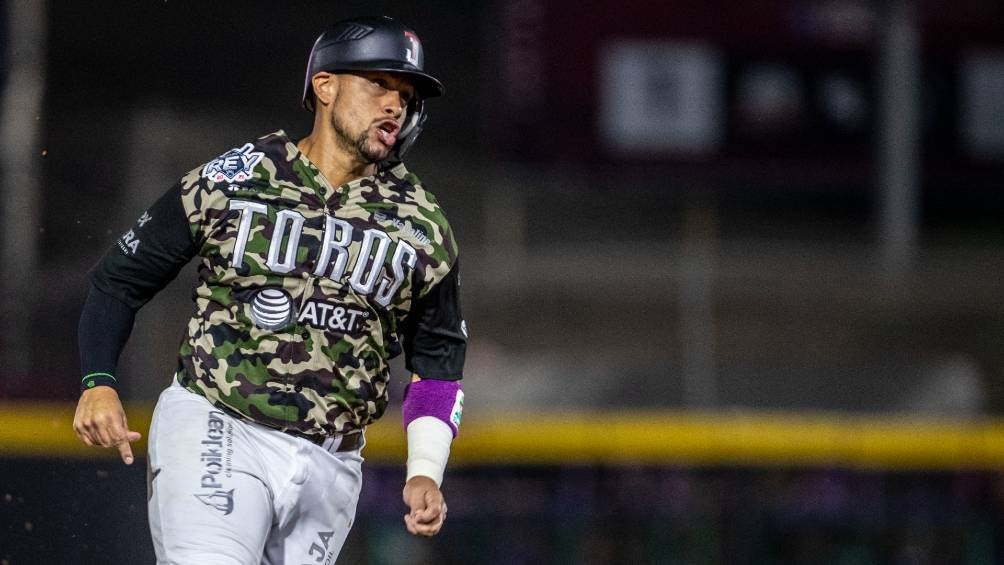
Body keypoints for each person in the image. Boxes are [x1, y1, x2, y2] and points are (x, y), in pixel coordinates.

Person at [72, 15, 467, 564]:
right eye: (378, 83)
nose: (395, 104)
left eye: (405, 93)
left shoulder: (423, 225)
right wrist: (98, 380)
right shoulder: (237, 178)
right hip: (220, 423)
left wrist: (425, 471)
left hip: (332, 463)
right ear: (325, 86)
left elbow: (439, 362)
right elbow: (119, 277)